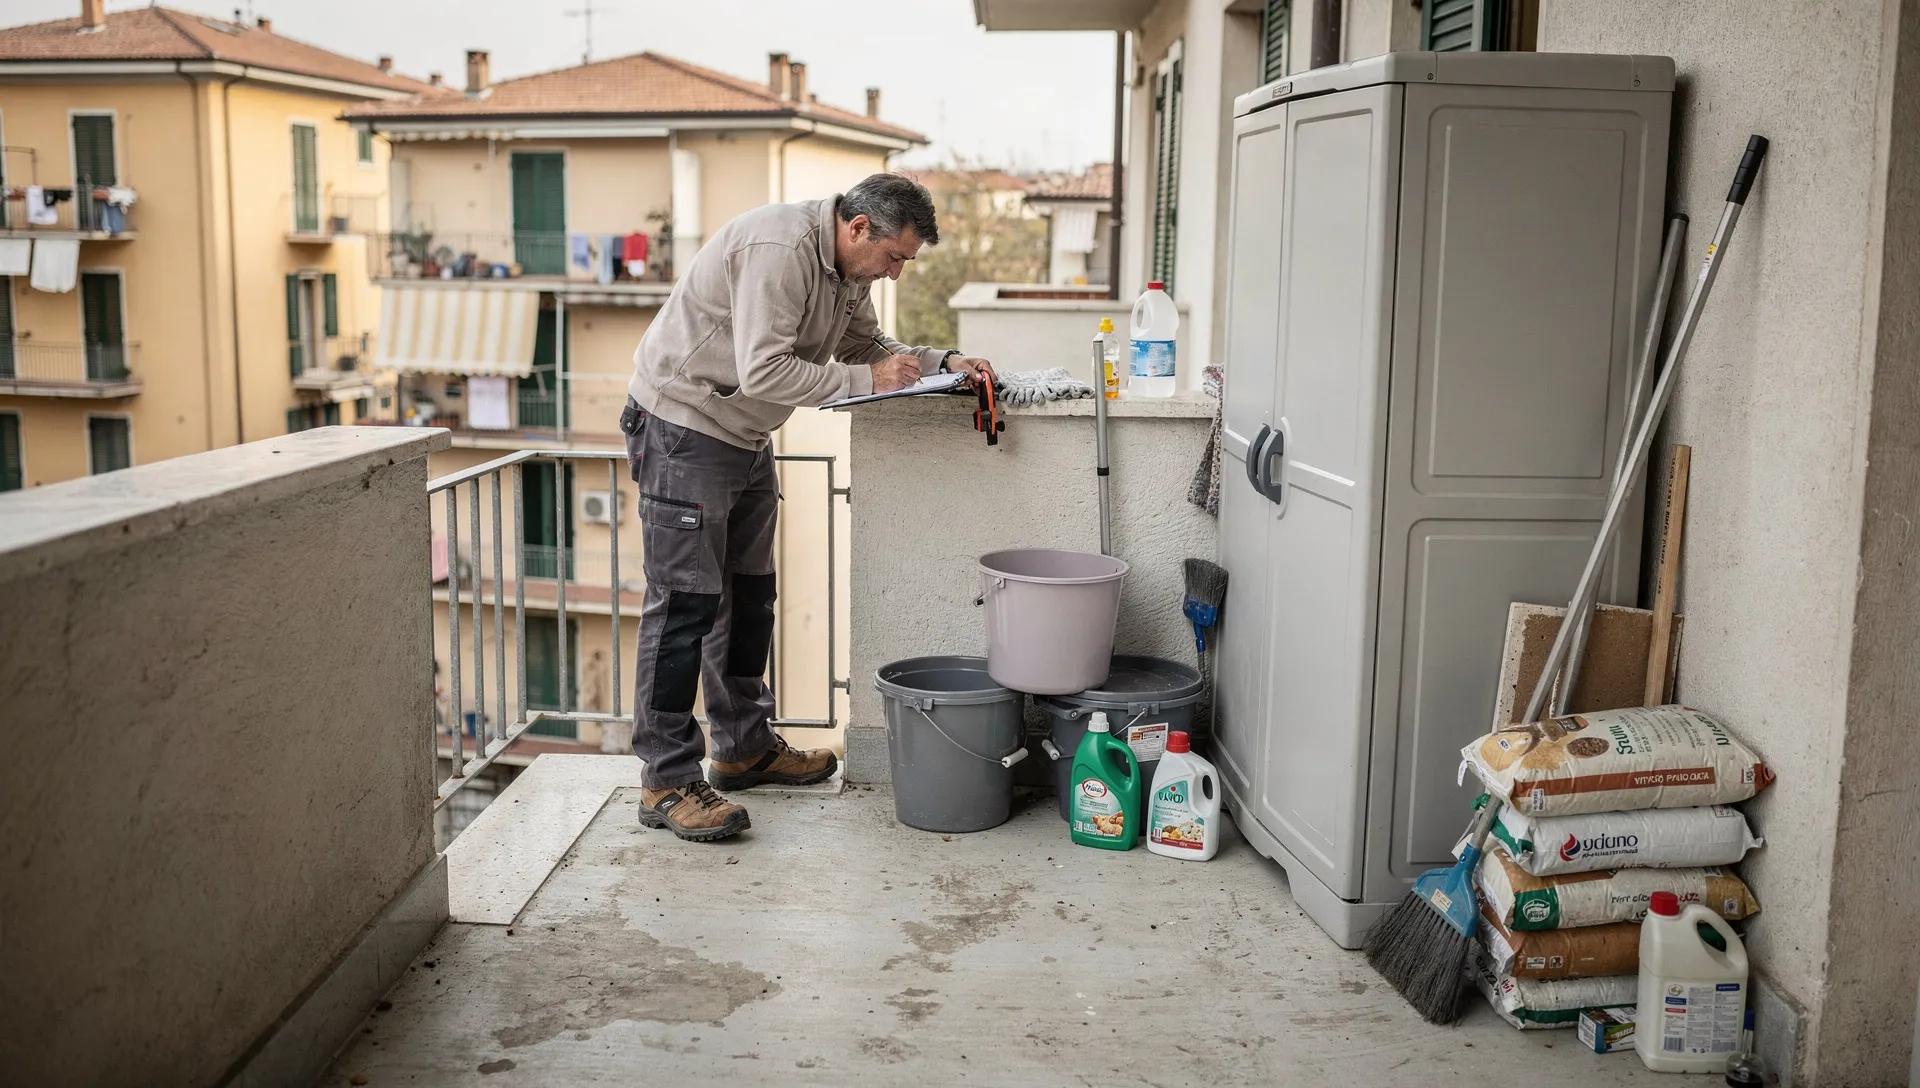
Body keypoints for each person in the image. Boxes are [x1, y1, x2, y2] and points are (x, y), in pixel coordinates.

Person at [621, 173, 996, 842]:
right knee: (683, 609)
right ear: (857, 229)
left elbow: (866, 349)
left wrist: (942, 361)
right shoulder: (779, 250)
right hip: (684, 426)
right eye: (895, 259)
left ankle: (741, 746)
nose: (897, 273)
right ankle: (665, 779)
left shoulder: (849, 271)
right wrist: (866, 379)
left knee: (750, 596)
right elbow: (765, 369)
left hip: (741, 433)